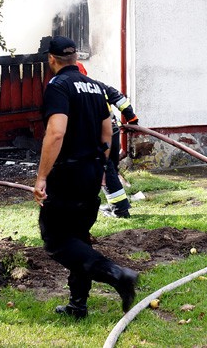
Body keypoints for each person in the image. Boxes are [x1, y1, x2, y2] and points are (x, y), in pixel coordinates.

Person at [34, 36, 138, 319]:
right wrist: (99, 164)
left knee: (55, 239)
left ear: (52, 60)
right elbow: (107, 131)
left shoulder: (58, 87)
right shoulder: (94, 87)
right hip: (92, 171)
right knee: (78, 236)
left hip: (68, 172)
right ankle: (77, 304)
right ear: (75, 59)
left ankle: (118, 275)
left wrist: (42, 176)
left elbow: (56, 132)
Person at [77, 62, 139, 218]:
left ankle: (120, 210)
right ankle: (109, 204)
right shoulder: (98, 86)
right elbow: (121, 100)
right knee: (109, 169)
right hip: (114, 131)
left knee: (106, 170)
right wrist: (132, 119)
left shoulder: (74, 90)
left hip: (99, 135)